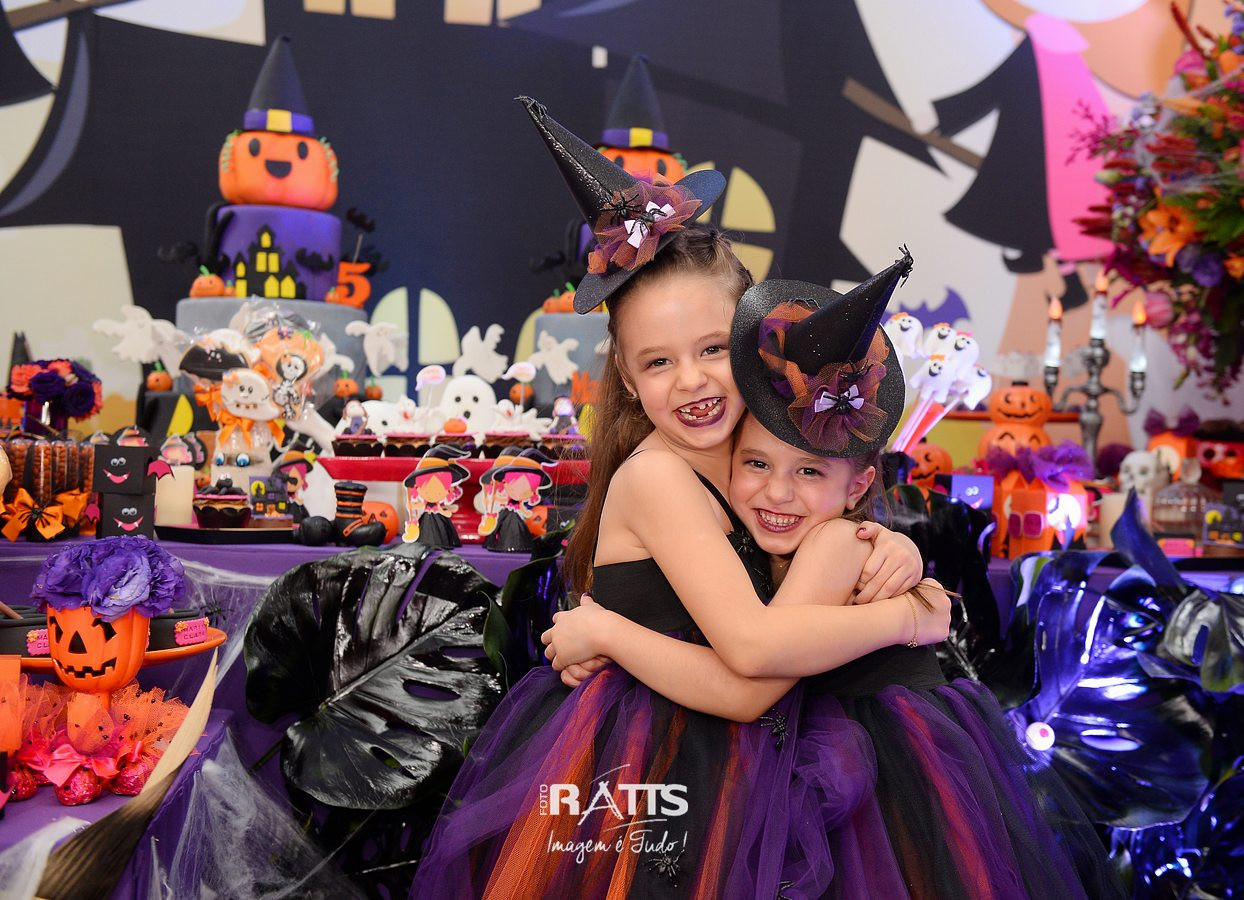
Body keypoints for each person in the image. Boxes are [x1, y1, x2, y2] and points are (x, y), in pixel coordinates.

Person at [546, 275, 1125, 898]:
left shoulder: (789, 502)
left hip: (831, 756)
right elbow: (755, 647)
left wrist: (607, 631)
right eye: (659, 360)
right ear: (627, 374)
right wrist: (911, 608)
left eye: (711, 349)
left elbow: (753, 667)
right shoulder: (682, 468)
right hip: (697, 746)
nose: (692, 379)